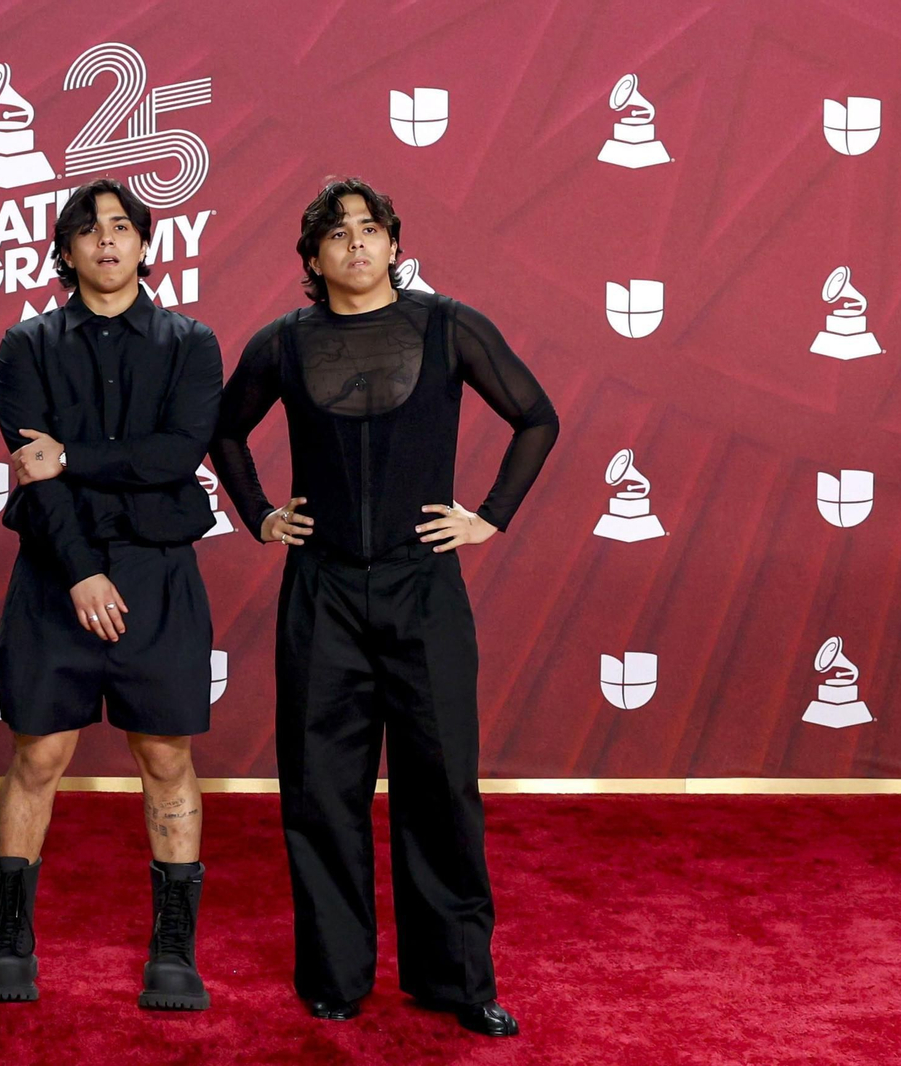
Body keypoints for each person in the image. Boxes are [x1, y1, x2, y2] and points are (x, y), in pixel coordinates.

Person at [209, 177, 559, 1033]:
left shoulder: (449, 325)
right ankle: (333, 975)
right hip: (321, 591)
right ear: (312, 258)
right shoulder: (282, 344)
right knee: (323, 787)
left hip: (423, 587)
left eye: (371, 229)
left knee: (440, 786)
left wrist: (490, 518)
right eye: (337, 234)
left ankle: (457, 980)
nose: (356, 244)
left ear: (395, 245)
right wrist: (258, 514)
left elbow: (536, 417)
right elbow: (223, 433)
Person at [0, 178, 223, 1011]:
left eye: (122, 227)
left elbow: (175, 456)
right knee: (38, 756)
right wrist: (80, 570)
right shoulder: (26, 346)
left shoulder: (191, 343)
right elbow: (34, 485)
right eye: (88, 229)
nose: (107, 241)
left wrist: (73, 458)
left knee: (166, 757)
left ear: (146, 244)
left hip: (158, 574)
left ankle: (174, 953)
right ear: (65, 250)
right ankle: (10, 946)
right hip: (54, 571)